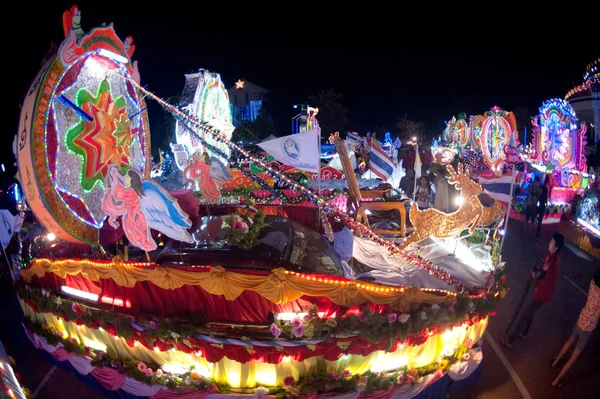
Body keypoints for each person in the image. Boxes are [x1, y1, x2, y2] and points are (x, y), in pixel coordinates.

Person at [502, 233, 564, 346]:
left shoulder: (553, 262)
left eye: (552, 242)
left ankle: (511, 340)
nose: (549, 243)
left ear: (556, 246)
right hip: (542, 292)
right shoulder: (551, 258)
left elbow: (546, 279)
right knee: (531, 312)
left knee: (525, 315)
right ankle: (524, 333)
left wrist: (535, 276)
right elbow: (543, 273)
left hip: (542, 294)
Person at [550, 267, 600, 387]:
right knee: (574, 357)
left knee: (570, 340)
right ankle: (556, 381)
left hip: (581, 318)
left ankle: (555, 361)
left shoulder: (593, 285)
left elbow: (595, 276)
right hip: (588, 328)